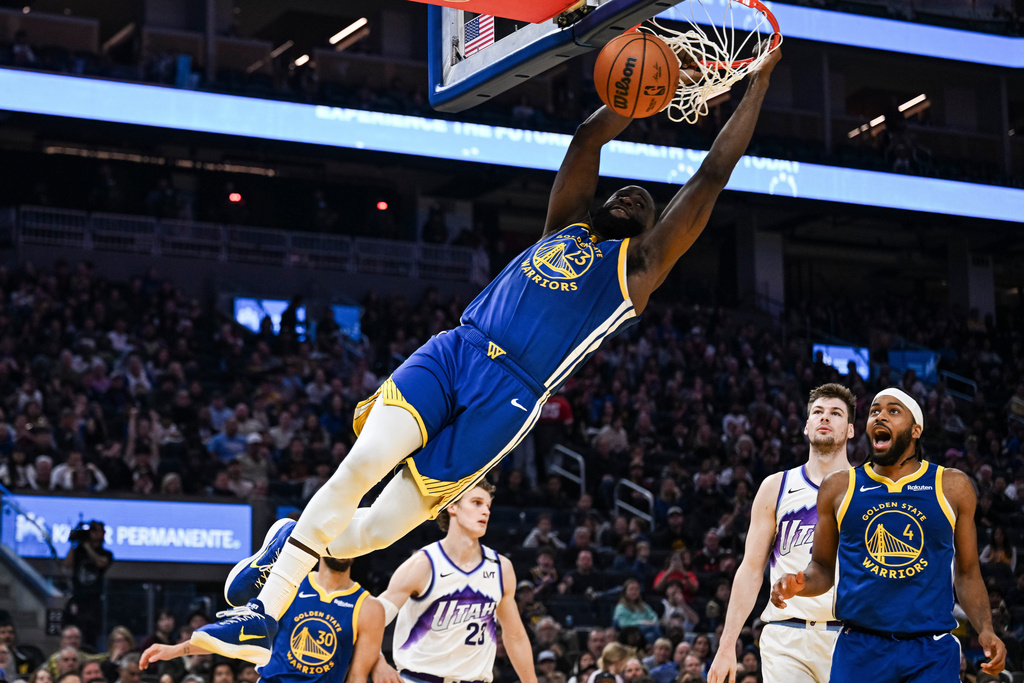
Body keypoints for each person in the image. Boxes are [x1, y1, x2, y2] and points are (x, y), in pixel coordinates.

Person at [196, 44, 782, 659]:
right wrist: (645, 94)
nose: (631, 196)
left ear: (651, 231)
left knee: (374, 532)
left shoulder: (637, 271)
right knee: (359, 467)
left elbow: (712, 174)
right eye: (624, 192)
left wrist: (756, 85)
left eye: (644, 203)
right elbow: (588, 137)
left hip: (509, 399)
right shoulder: (565, 225)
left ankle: (290, 540)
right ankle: (267, 610)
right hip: (457, 350)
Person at [771, 388, 1007, 682]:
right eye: (874, 411)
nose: (880, 416)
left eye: (893, 411)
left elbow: (968, 573)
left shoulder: (952, 486)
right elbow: (821, 568)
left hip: (931, 650)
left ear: (916, 430)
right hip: (860, 647)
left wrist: (985, 628)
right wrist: (799, 584)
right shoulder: (839, 487)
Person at [708, 384, 856, 683]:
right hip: (787, 636)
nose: (825, 417)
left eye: (835, 413)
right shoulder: (776, 486)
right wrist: (727, 644)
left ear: (850, 430)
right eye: (818, 412)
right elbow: (751, 569)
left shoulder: (869, 490)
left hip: (851, 636)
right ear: (806, 426)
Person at [366, 482, 538, 683]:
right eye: (477, 503)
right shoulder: (423, 564)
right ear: (452, 506)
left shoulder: (501, 568)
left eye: (488, 506)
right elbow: (370, 619)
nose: (485, 511)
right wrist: (377, 662)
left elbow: (515, 636)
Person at [142, 554, 383, 682]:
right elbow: (237, 635)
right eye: (340, 535)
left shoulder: (369, 607)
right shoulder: (291, 585)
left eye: (351, 538)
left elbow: (357, 677)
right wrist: (177, 650)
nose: (344, 544)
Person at [63, 521, 113, 648]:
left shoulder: (105, 553)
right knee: (74, 628)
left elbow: (101, 563)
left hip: (94, 599)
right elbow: (67, 565)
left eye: (97, 531)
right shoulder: (78, 551)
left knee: (91, 633)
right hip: (78, 596)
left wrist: (87, 547)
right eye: (92, 531)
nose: (94, 534)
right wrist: (73, 543)